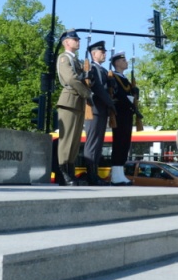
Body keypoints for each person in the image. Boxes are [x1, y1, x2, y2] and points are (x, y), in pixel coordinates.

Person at [55, 30, 92, 186]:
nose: (78, 41)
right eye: (74, 39)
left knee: (75, 141)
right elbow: (70, 78)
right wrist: (86, 93)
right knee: (67, 139)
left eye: (78, 39)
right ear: (66, 42)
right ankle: (63, 173)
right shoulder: (64, 58)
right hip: (69, 100)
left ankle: (70, 171)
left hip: (77, 102)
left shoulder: (76, 60)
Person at [84, 40, 114, 186]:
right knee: (92, 143)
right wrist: (110, 102)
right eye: (102, 52)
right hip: (93, 109)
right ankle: (90, 175)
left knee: (98, 144)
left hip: (102, 111)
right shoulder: (91, 68)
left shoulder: (102, 70)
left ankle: (95, 173)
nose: (105, 54)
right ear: (93, 54)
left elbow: (106, 88)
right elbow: (97, 89)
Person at [107, 51, 136, 185]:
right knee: (119, 143)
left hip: (127, 113)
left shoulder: (125, 79)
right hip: (119, 112)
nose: (126, 62)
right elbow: (117, 95)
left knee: (125, 143)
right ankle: (116, 176)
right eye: (123, 61)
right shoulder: (113, 77)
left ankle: (120, 173)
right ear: (117, 63)